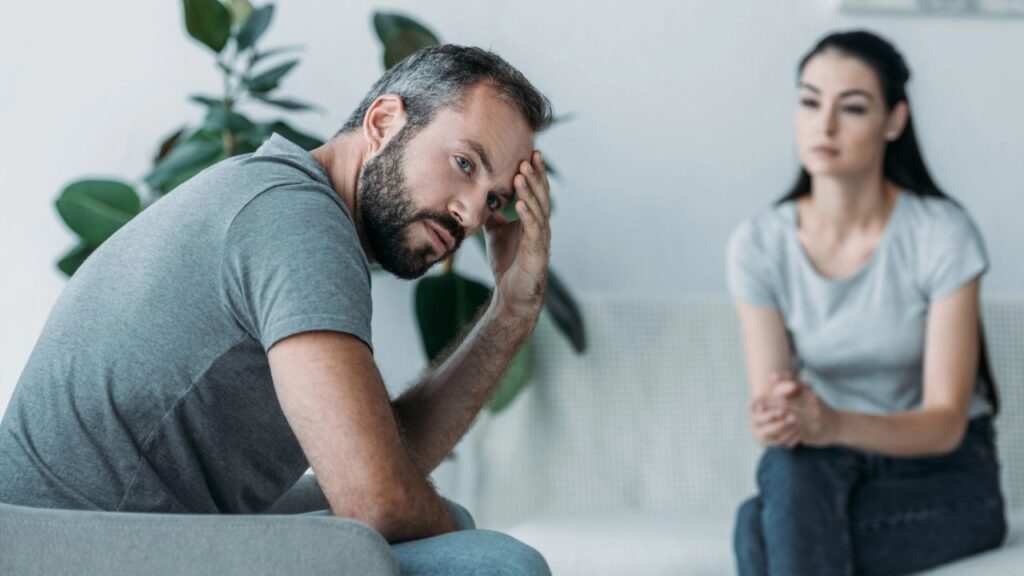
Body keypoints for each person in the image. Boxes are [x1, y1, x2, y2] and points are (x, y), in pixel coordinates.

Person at [0, 45, 553, 575]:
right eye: (464, 163)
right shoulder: (297, 221)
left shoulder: (279, 193)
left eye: (495, 199)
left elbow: (387, 461)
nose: (470, 213)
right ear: (383, 123)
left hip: (87, 530)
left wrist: (511, 312)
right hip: (68, 550)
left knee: (449, 528)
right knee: (495, 564)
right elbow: (378, 502)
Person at [728, 30, 1006, 575]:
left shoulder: (941, 234)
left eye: (852, 108)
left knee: (756, 530)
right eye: (810, 101)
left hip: (944, 474)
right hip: (826, 468)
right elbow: (774, 406)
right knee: (789, 467)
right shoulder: (759, 244)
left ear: (893, 121)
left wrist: (830, 423)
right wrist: (779, 418)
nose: (824, 125)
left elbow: (946, 422)